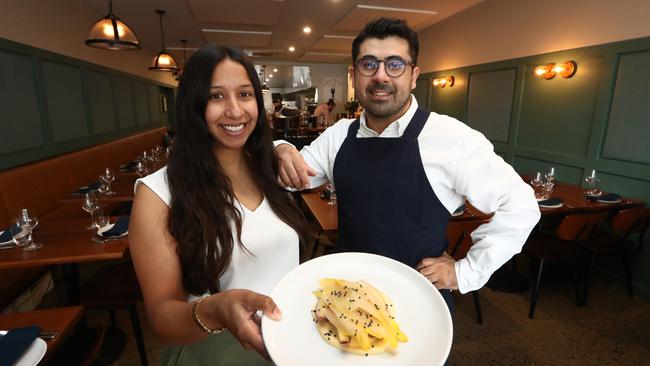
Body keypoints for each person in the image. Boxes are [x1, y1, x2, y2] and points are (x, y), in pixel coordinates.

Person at [275, 18, 540, 313]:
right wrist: (280, 147)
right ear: (353, 75)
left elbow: (520, 204)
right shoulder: (338, 135)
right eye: (369, 64)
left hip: (417, 302)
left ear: (414, 76)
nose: (381, 76)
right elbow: (288, 177)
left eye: (395, 64)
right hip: (348, 296)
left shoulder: (451, 137)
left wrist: (465, 271)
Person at [129, 45, 310, 365]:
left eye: (244, 94)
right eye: (216, 96)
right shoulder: (157, 194)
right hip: (214, 350)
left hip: (291, 342)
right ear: (193, 105)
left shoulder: (272, 170)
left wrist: (281, 146)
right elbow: (161, 315)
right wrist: (216, 311)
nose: (235, 110)